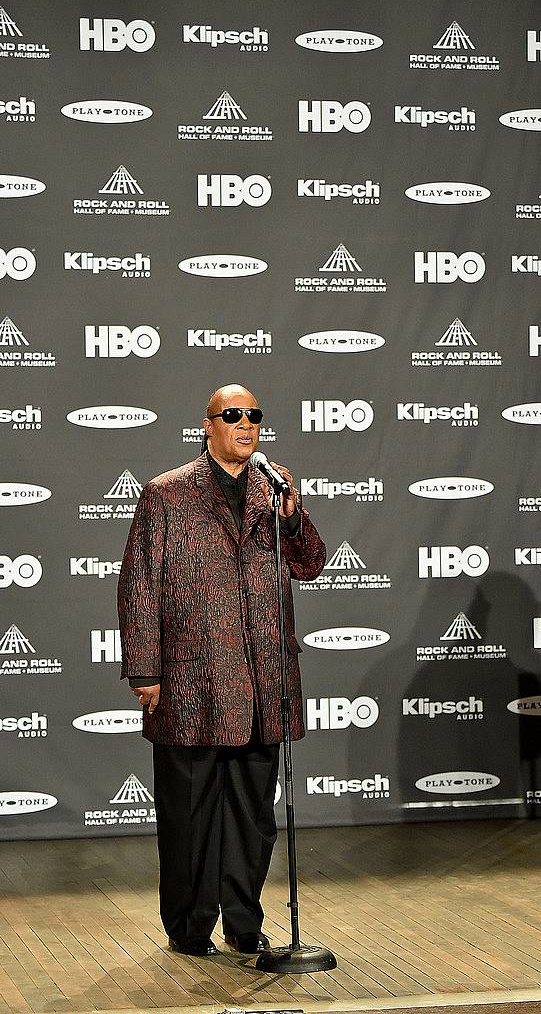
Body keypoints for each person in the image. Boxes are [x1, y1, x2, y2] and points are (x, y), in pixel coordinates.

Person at [117, 384, 326, 957]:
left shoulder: (275, 489)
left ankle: (244, 923)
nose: (246, 423)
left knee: (252, 820)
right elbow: (139, 584)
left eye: (254, 415)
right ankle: (188, 929)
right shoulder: (168, 493)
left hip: (262, 684)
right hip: (192, 683)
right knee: (189, 816)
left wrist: (295, 513)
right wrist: (143, 668)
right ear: (207, 424)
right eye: (233, 415)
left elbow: (311, 563)